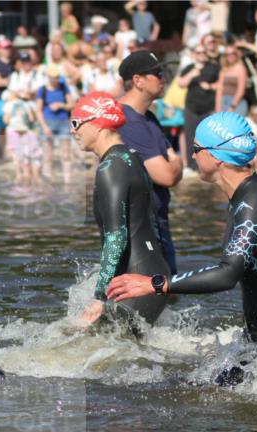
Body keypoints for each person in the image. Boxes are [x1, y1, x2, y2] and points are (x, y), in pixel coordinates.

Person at [107, 112, 257, 413]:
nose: (193, 156)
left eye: (195, 149)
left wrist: (156, 284)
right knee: (196, 395)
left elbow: (227, 274)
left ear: (214, 156)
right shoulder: (242, 197)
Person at [70, 92, 169, 330]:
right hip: (148, 271)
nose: (73, 131)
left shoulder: (111, 167)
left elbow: (116, 237)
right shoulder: (131, 157)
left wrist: (98, 298)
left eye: (76, 123)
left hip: (136, 281)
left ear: (97, 124)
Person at [118, 51, 183, 273]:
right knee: (153, 294)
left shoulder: (149, 117)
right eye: (157, 73)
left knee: (169, 294)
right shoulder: (129, 123)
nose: (164, 78)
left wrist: (174, 162)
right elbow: (168, 175)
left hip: (157, 218)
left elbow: (171, 165)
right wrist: (176, 161)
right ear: (138, 81)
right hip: (143, 224)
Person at [177, 43, 220, 172]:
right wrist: (192, 74)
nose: (201, 55)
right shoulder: (189, 68)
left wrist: (211, 86)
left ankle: (209, 164)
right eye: (198, 53)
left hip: (207, 107)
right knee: (190, 136)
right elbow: (181, 83)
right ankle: (192, 165)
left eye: (203, 52)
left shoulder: (213, 67)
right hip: (191, 107)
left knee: (207, 137)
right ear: (194, 54)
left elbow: (221, 84)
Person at [35, 64, 75, 181]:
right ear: (48, 77)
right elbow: (38, 110)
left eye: (57, 77)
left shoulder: (63, 87)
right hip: (48, 122)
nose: (55, 80)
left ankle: (67, 180)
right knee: (47, 154)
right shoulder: (42, 90)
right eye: (53, 77)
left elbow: (71, 104)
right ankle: (48, 178)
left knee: (66, 153)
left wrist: (60, 105)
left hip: (63, 122)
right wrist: (44, 126)